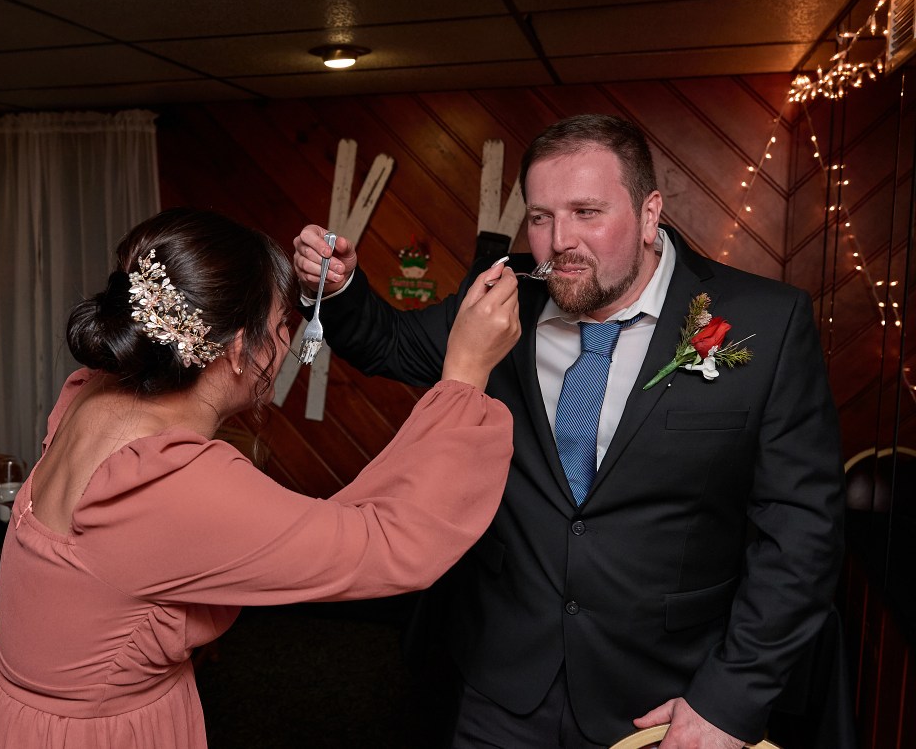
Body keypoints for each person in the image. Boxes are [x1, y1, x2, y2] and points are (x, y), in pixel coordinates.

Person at [293, 114, 847, 749]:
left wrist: (728, 701)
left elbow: (801, 531)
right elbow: (386, 343)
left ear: (649, 214)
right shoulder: (505, 298)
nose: (560, 241)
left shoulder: (765, 322)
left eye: (587, 212)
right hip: (501, 681)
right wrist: (336, 290)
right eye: (541, 217)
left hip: (663, 698)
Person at [0, 207, 521, 748]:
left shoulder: (93, 392)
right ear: (241, 347)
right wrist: (467, 374)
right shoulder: (175, 481)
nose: (285, 344)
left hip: (10, 710)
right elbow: (393, 544)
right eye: (280, 327)